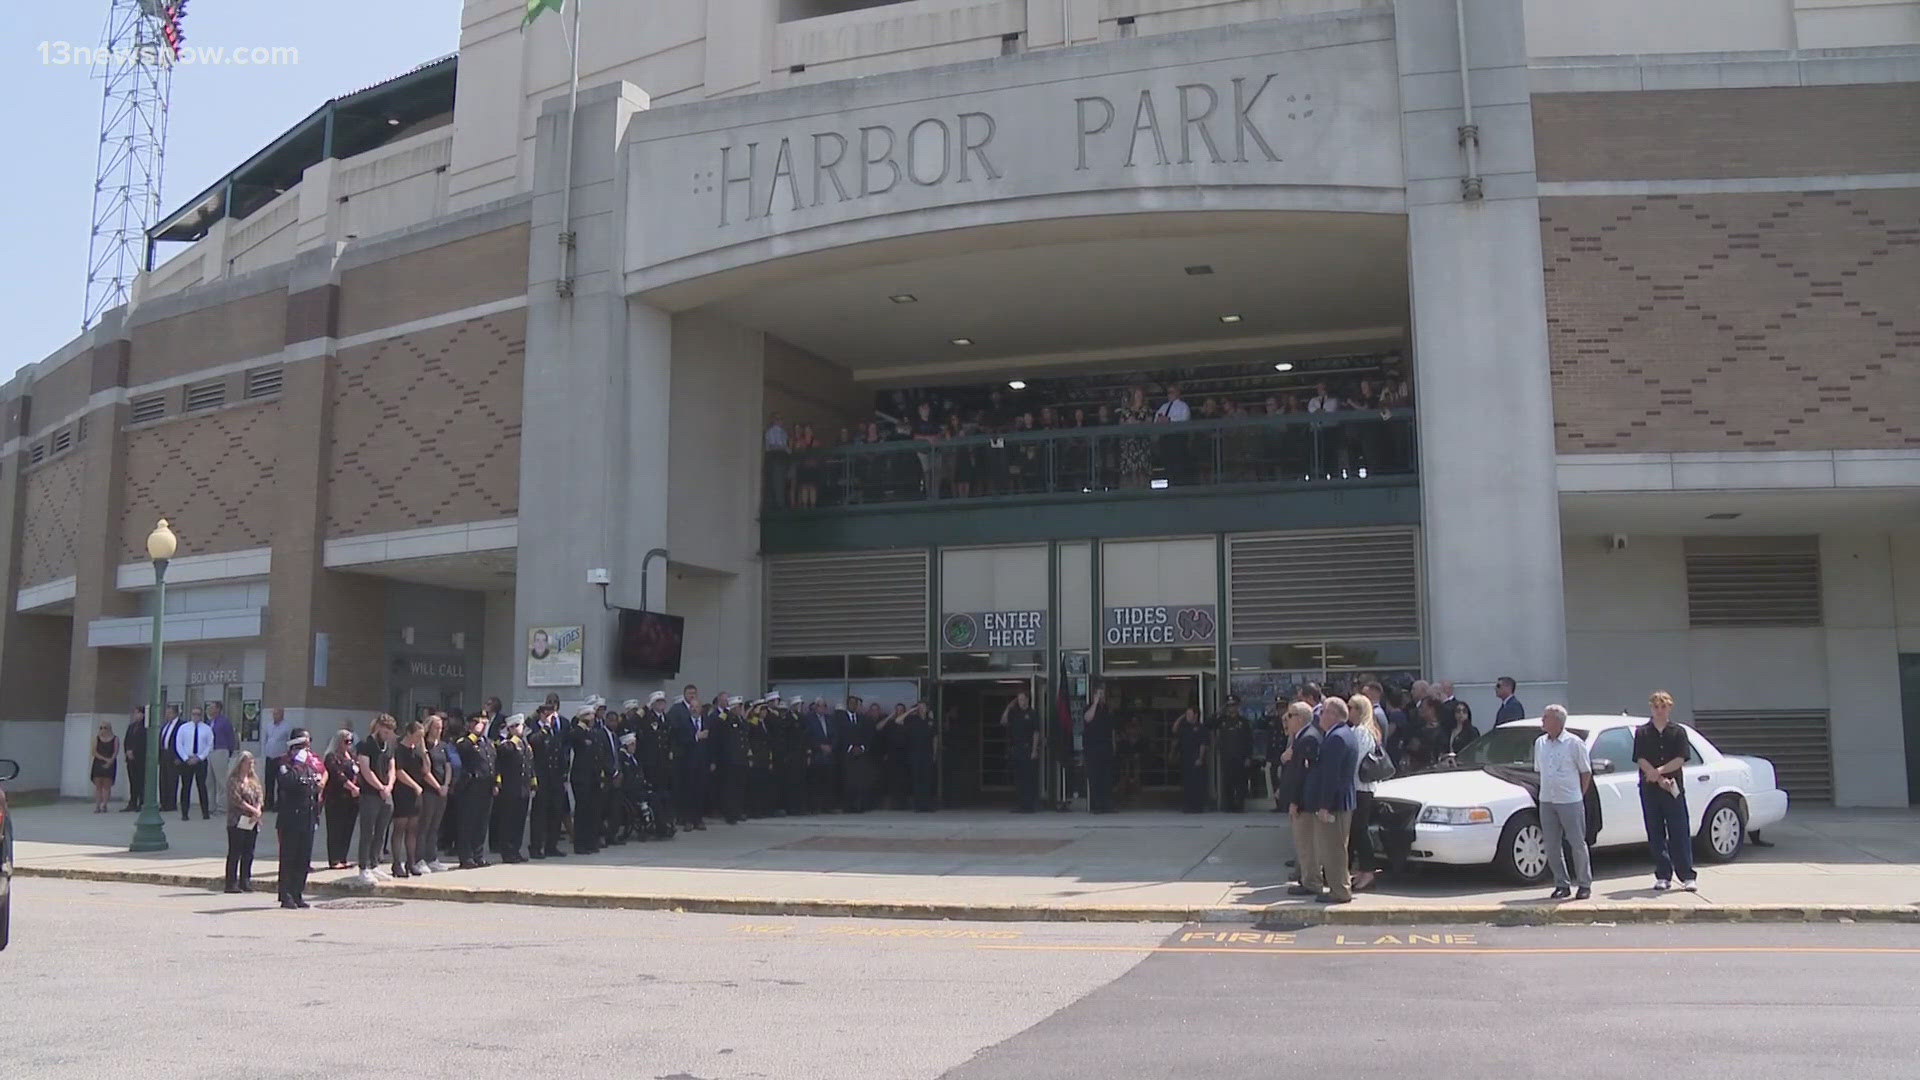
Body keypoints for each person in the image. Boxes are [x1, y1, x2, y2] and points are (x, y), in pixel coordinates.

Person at [1635, 690, 1697, 892]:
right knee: (1655, 831)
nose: (1659, 710)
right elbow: (1640, 758)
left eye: (1663, 706)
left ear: (1670, 708)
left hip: (1673, 788)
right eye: (1656, 707)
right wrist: (1655, 776)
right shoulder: (1642, 732)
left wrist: (1660, 772)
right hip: (1650, 789)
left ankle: (1687, 875)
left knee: (1679, 830)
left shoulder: (1678, 732)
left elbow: (1680, 758)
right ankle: (1663, 874)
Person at [1301, 697, 1358, 904]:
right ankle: (1339, 887)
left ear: (1334, 714)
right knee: (1336, 848)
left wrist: (1324, 806)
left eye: (1323, 711)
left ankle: (1339, 891)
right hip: (1341, 802)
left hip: (1335, 804)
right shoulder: (1343, 734)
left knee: (1333, 849)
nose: (1319, 716)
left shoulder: (1336, 738)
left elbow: (1331, 775)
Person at [1533, 704, 1593, 900]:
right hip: (1547, 800)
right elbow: (1539, 770)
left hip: (1570, 800)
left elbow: (1585, 772)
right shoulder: (1540, 743)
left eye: (1546, 717)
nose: (1542, 720)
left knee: (1577, 842)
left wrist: (1579, 795)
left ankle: (1584, 883)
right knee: (1551, 845)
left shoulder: (1574, 743)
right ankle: (1561, 883)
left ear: (1558, 721)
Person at [276, 731, 324, 909]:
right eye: (303, 746)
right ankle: (285, 894)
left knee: (303, 858)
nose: (307, 749)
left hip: (308, 817)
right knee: (289, 857)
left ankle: (297, 893)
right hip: (291, 819)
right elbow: (287, 782)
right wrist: (297, 764)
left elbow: (313, 784)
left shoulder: (309, 764)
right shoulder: (285, 763)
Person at [1276, 703, 1317, 892]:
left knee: (1306, 845)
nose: (1287, 719)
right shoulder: (1299, 737)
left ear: (1300, 718)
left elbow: (1302, 775)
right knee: (1302, 844)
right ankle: (1305, 878)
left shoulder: (1307, 738)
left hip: (1304, 802)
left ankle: (1310, 883)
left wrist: (1294, 801)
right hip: (1300, 800)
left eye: (1290, 716)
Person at [354, 714, 397, 886]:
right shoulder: (366, 745)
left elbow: (392, 767)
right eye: (385, 732)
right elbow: (366, 769)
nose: (387, 735)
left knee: (381, 831)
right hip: (370, 794)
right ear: (378, 727)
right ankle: (363, 867)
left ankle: (375, 863)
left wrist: (389, 786)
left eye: (390, 733)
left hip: (386, 794)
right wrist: (380, 787)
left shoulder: (389, 746)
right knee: (368, 832)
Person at [1346, 694, 1384, 892]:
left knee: (1360, 830)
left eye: (1351, 707)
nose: (1348, 710)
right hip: (1359, 788)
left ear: (1360, 711)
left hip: (1361, 788)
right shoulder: (1357, 730)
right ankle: (1361, 870)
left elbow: (1355, 760)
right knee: (1355, 831)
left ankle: (1368, 871)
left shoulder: (1362, 732)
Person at [454, 712, 498, 868]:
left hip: (486, 788)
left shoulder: (488, 743)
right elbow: (462, 750)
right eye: (478, 722)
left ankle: (478, 855)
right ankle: (466, 857)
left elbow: (494, 764)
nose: (482, 724)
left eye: (484, 722)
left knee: (481, 823)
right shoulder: (465, 742)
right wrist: (474, 734)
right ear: (470, 724)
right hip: (471, 787)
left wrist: (496, 783)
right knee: (468, 823)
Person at [527, 704, 571, 859]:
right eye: (550, 715)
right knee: (539, 814)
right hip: (541, 778)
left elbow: (560, 754)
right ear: (543, 714)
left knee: (556, 812)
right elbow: (533, 742)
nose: (553, 718)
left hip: (555, 778)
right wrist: (545, 727)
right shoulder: (533, 728)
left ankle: (551, 846)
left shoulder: (555, 731)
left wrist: (564, 775)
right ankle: (536, 847)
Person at [667, 685, 710, 830]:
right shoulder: (684, 722)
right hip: (687, 761)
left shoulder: (705, 721)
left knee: (700, 790)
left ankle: (698, 819)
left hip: (702, 762)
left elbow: (711, 741)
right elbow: (680, 738)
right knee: (688, 791)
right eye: (692, 707)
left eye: (697, 707)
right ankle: (687, 819)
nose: (694, 709)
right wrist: (695, 737)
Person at [492, 714, 534, 862]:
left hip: (523, 788)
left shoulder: (524, 744)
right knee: (508, 821)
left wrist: (533, 781)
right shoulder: (508, 745)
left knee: (519, 821)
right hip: (510, 788)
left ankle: (515, 850)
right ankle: (507, 852)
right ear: (512, 728)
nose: (522, 729)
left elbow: (529, 765)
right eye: (519, 726)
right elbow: (500, 761)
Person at [388, 720, 427, 878]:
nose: (419, 739)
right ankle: (396, 864)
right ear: (409, 734)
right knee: (400, 828)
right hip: (403, 792)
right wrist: (414, 786)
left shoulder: (416, 751)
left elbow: (425, 770)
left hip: (415, 795)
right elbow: (399, 771)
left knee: (413, 829)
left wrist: (424, 753)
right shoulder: (399, 749)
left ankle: (411, 862)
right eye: (417, 736)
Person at [223, 751, 264, 893]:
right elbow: (236, 800)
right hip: (237, 820)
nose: (251, 765)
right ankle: (231, 883)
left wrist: (257, 810)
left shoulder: (254, 780)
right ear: (240, 764)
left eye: (252, 762)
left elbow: (259, 796)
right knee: (235, 851)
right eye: (248, 762)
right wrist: (253, 810)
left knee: (249, 852)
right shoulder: (233, 780)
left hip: (252, 820)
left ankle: (245, 881)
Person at [419, 714, 454, 872]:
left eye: (441, 728)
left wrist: (446, 784)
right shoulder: (424, 745)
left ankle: (432, 857)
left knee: (435, 826)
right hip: (429, 790)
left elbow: (448, 766)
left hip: (442, 789)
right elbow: (425, 770)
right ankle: (420, 858)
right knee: (424, 825)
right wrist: (437, 786)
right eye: (436, 728)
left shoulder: (443, 745)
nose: (439, 731)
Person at [321, 730, 360, 870]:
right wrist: (352, 788)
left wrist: (357, 788)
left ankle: (343, 857)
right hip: (336, 798)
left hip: (352, 799)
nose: (348, 744)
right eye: (346, 741)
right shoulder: (331, 757)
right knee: (335, 829)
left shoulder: (352, 757)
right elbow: (337, 775)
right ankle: (334, 859)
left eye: (350, 741)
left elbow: (357, 772)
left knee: (347, 829)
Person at [173, 706, 214, 821]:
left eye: (198, 714)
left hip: (200, 761)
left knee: (202, 786)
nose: (196, 716)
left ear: (201, 716)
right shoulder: (184, 728)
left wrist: (199, 758)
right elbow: (179, 744)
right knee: (186, 787)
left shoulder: (206, 729)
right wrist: (186, 758)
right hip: (187, 761)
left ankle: (205, 812)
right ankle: (184, 813)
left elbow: (209, 745)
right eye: (194, 714)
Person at [1004, 691, 1040, 814]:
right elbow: (1003, 721)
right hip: (1017, 748)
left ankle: (1029, 805)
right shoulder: (1015, 713)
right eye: (1019, 700)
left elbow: (1036, 732)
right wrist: (1009, 707)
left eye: (1023, 699)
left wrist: (1034, 750)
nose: (1021, 702)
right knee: (1018, 778)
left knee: (1028, 778)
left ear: (1027, 700)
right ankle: (1020, 805)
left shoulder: (1032, 713)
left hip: (1028, 748)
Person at [1083, 686, 1115, 813]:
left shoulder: (1107, 709)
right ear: (1094, 695)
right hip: (1092, 748)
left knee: (1106, 777)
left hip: (1106, 747)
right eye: (1099, 694)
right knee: (1094, 777)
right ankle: (1096, 805)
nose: (1102, 696)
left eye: (1103, 694)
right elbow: (1087, 718)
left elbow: (1111, 728)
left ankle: (1106, 804)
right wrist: (1095, 704)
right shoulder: (1088, 707)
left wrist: (1113, 745)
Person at [1216, 698, 1252, 813]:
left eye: (1233, 706)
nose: (1232, 708)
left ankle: (1239, 806)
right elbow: (1208, 724)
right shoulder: (1222, 720)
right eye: (1229, 706)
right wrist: (1218, 712)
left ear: (1237, 707)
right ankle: (1229, 806)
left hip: (1240, 757)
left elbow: (1249, 740)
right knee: (1227, 782)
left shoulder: (1243, 722)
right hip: (1227, 756)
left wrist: (1248, 757)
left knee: (1240, 783)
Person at [1173, 706, 1209, 814]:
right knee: (1187, 784)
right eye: (1187, 714)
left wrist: (1200, 758)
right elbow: (1174, 729)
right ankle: (1188, 806)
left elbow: (1203, 744)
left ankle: (1197, 807)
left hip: (1196, 759)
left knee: (1197, 784)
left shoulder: (1201, 728)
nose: (1188, 717)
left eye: (1190, 714)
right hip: (1185, 759)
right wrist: (1181, 717)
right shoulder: (1184, 727)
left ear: (1196, 715)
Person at [904, 701, 937, 812]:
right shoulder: (912, 720)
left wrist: (934, 753)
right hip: (915, 754)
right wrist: (910, 711)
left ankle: (926, 805)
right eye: (919, 707)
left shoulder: (930, 721)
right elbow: (898, 720)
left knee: (927, 780)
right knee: (916, 780)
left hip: (927, 754)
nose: (921, 709)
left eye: (923, 707)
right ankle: (918, 806)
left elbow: (934, 738)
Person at [804, 698, 835, 814]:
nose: (822, 708)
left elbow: (835, 734)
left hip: (829, 754)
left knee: (828, 781)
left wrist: (831, 746)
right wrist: (820, 746)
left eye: (824, 706)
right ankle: (815, 807)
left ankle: (827, 806)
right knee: (816, 782)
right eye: (820, 706)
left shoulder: (830, 719)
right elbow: (808, 737)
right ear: (816, 707)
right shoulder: (809, 719)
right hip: (816, 754)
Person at [206, 701, 238, 814]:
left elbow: (231, 737)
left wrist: (229, 751)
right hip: (209, 751)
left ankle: (222, 807)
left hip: (220, 750)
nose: (209, 709)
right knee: (209, 781)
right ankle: (211, 806)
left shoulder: (224, 721)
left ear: (218, 709)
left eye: (212, 707)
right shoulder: (209, 722)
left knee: (221, 781)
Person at [261, 706, 293, 812]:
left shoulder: (287, 726)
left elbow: (289, 742)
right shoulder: (269, 725)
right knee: (269, 782)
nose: (275, 716)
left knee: (281, 782)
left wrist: (288, 757)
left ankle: (279, 804)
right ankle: (268, 803)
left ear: (282, 714)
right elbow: (266, 739)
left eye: (277, 714)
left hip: (281, 758)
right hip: (270, 757)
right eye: (274, 714)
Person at [157, 705, 183, 812]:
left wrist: (179, 756)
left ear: (175, 713)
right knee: (163, 779)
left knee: (172, 780)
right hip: (164, 754)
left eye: (170, 712)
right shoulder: (165, 725)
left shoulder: (181, 725)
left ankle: (171, 804)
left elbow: (182, 742)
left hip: (174, 755)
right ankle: (164, 803)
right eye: (167, 712)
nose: (167, 715)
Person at [122, 706, 147, 812]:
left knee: (140, 781)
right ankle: (132, 802)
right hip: (130, 759)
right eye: (134, 713)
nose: (135, 715)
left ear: (143, 714)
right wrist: (127, 751)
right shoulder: (131, 726)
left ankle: (142, 803)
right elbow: (127, 740)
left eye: (137, 713)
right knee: (132, 781)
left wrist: (134, 752)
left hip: (140, 758)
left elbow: (143, 743)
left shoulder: (145, 727)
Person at [90, 721, 118, 812]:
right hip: (98, 763)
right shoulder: (97, 738)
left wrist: (110, 761)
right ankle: (97, 805)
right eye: (101, 728)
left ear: (109, 729)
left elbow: (115, 751)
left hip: (110, 763)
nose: (103, 730)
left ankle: (104, 805)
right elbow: (94, 752)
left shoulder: (115, 739)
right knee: (98, 786)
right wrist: (105, 759)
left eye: (105, 728)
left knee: (107, 785)